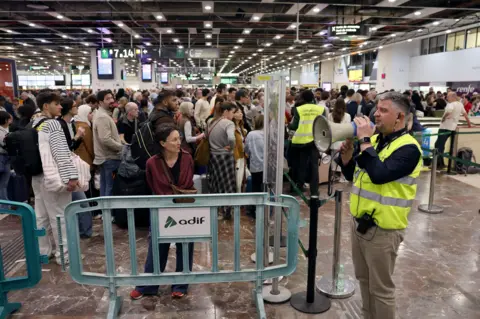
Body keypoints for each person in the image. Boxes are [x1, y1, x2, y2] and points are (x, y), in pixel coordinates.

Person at [337, 92, 423, 319]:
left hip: (383, 231)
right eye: (377, 108)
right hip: (359, 225)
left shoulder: (409, 148)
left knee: (381, 290)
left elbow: (379, 174)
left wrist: (364, 141)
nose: (376, 113)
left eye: (384, 110)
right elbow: (353, 175)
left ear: (400, 117)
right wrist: (346, 158)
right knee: (364, 281)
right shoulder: (374, 142)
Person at [130, 124, 195, 300]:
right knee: (157, 245)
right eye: (174, 139)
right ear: (162, 143)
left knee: (185, 244)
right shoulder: (152, 163)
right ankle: (148, 285)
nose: (178, 142)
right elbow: (152, 184)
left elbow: (188, 181)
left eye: (179, 138)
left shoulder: (187, 158)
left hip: (184, 207)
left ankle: (181, 284)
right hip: (161, 208)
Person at [32, 91, 79, 265]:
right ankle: (64, 255)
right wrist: (71, 177)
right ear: (46, 106)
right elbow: (60, 153)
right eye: (56, 103)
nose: (60, 106)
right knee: (60, 217)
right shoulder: (53, 124)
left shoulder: (35, 123)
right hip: (54, 177)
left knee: (41, 217)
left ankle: (43, 252)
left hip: (38, 177)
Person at [58, 99, 92, 238]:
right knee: (80, 203)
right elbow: (65, 149)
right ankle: (82, 232)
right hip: (66, 171)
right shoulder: (60, 125)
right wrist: (77, 137)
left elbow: (72, 147)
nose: (76, 108)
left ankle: (82, 231)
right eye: (74, 106)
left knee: (79, 202)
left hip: (72, 167)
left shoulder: (71, 124)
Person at [288, 90, 326, 195]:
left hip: (301, 142)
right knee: (314, 166)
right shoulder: (321, 109)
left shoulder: (299, 109)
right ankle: (314, 190)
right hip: (315, 141)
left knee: (302, 165)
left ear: (303, 98)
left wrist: (288, 125)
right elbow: (324, 125)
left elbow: (295, 126)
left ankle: (299, 187)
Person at [208, 102, 237, 219]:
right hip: (225, 157)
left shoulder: (211, 122)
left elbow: (206, 136)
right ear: (226, 111)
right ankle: (227, 211)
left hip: (213, 156)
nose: (233, 115)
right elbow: (231, 137)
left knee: (215, 183)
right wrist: (231, 147)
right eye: (233, 112)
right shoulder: (229, 123)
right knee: (228, 184)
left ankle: (217, 209)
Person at [92, 90, 123, 197]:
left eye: (111, 98)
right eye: (107, 99)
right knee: (110, 188)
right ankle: (109, 213)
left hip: (107, 158)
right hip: (109, 158)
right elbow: (105, 139)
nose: (111, 100)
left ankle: (106, 212)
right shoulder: (102, 117)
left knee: (105, 186)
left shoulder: (102, 114)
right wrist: (120, 147)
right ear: (100, 102)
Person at [434, 92, 472, 170]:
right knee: (442, 145)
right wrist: (469, 124)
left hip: (445, 127)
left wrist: (444, 118)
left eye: (448, 96)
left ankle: (438, 164)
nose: (447, 98)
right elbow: (465, 114)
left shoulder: (451, 104)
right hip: (453, 128)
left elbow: (449, 111)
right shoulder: (460, 104)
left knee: (438, 145)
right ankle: (441, 163)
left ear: (453, 97)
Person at [244, 114, 264, 218]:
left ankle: (255, 210)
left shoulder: (251, 134)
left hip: (255, 165)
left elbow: (246, 150)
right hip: (268, 167)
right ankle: (266, 209)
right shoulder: (270, 134)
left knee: (256, 188)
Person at [232, 107, 247, 193]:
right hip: (236, 157)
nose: (241, 114)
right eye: (238, 112)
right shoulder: (232, 127)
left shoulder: (241, 126)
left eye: (241, 112)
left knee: (242, 181)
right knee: (237, 182)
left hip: (242, 156)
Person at [0, 111, 12, 204]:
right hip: (2, 157)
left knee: (4, 184)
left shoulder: (6, 129)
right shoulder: (1, 132)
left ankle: (5, 204)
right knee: (3, 184)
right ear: (5, 120)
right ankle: (4, 205)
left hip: (5, 157)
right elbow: (5, 144)